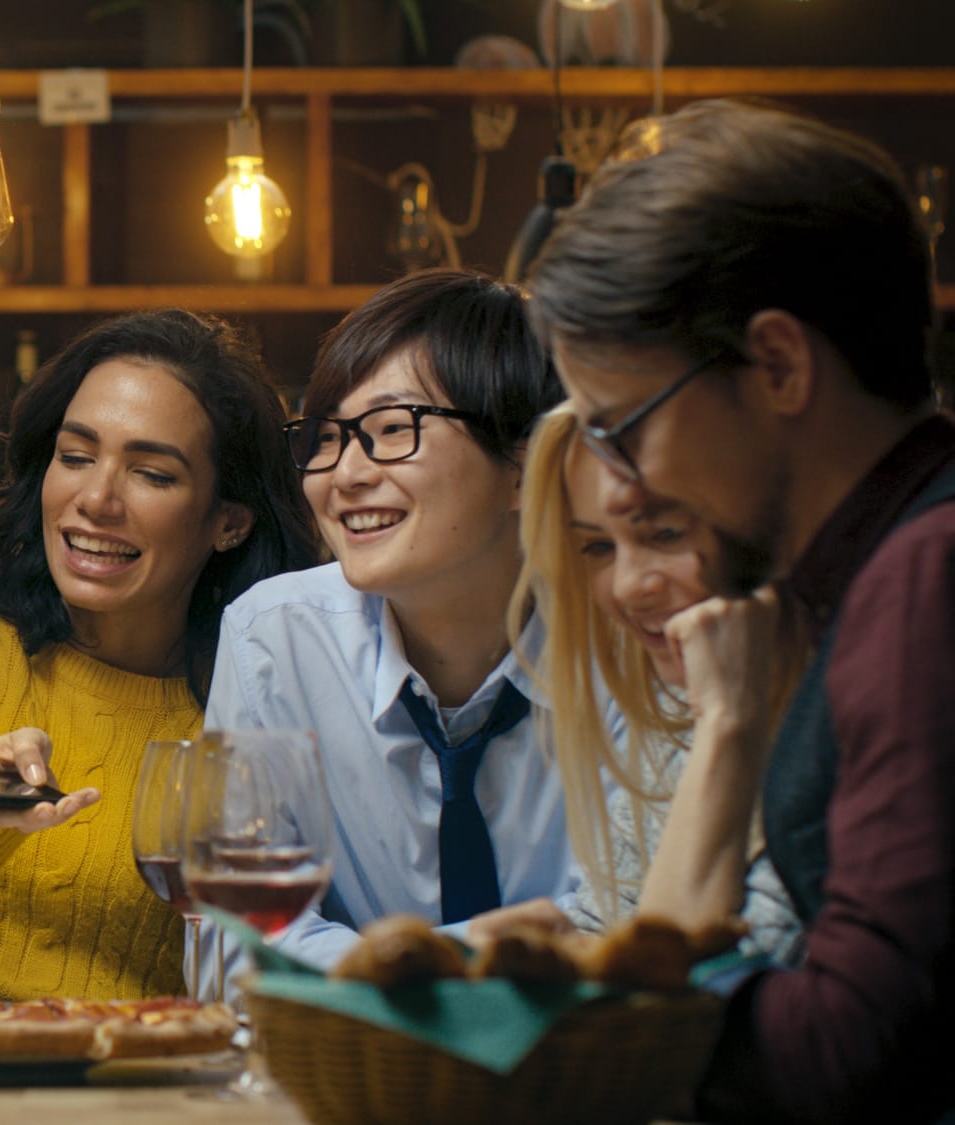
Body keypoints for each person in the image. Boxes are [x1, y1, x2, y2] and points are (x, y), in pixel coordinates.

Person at [527, 98, 953, 1123]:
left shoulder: (916, 582)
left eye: (620, 429)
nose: (626, 489)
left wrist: (590, 1010)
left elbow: (854, 1045)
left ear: (776, 365)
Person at [0, 309, 316, 1000]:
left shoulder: (255, 686)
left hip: (151, 1085)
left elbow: (268, 956)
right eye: (77, 455)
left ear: (228, 520)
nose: (95, 499)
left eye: (151, 473)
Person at [202, 267, 586, 976]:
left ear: (524, 465)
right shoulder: (275, 640)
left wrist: (350, 962)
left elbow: (640, 923)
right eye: (325, 436)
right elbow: (231, 945)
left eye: (389, 429)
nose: (343, 474)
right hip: (348, 1076)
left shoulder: (624, 642)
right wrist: (438, 963)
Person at [499, 408, 802, 964]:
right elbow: (618, 918)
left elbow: (695, 993)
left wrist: (726, 723)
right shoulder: (674, 706)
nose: (630, 587)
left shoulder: (861, 707)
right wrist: (576, 948)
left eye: (664, 533)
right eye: (597, 548)